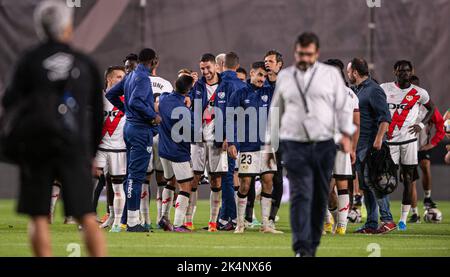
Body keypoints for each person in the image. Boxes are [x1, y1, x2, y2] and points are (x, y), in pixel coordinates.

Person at [1, 0, 106, 256]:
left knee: (38, 217)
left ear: (40, 28)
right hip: (74, 148)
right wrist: (91, 154)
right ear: (68, 28)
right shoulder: (85, 63)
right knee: (86, 216)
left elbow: (8, 102)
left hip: (37, 146)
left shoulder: (28, 61)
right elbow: (97, 115)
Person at [266, 32, 354, 256]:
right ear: (295, 52)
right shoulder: (286, 77)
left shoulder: (331, 75)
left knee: (319, 197)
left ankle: (312, 243)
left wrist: (346, 135)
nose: (304, 58)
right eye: (300, 54)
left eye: (308, 54)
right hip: (293, 144)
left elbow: (343, 107)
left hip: (324, 144)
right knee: (300, 194)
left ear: (317, 53)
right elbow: (276, 111)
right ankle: (301, 248)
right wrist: (269, 145)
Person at [106, 48, 161, 232]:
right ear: (153, 62)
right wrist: (153, 115)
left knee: (131, 175)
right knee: (136, 177)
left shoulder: (129, 76)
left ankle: (129, 219)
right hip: (139, 130)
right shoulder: (143, 77)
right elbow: (137, 101)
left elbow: (110, 94)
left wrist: (126, 110)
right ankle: (131, 222)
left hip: (129, 128)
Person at [228, 61, 283, 234]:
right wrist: (232, 142)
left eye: (264, 76)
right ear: (251, 73)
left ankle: (266, 225)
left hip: (267, 145)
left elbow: (280, 87)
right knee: (245, 184)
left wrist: (272, 73)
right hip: (247, 146)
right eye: (259, 74)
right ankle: (240, 223)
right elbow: (231, 120)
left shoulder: (269, 91)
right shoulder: (239, 94)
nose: (262, 79)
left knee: (268, 181)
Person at [381, 61, 435, 230]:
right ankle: (384, 216)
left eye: (407, 70)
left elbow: (432, 109)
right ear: (394, 71)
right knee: (384, 180)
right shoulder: (384, 88)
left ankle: (403, 219)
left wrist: (421, 125)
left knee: (408, 179)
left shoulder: (419, 92)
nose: (404, 73)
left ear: (412, 71)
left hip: (410, 142)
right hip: (389, 142)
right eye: (400, 70)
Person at [347, 58, 395, 234]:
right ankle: (371, 224)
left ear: (355, 72)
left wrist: (378, 140)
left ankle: (388, 219)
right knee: (366, 186)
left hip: (371, 146)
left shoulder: (374, 90)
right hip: (359, 147)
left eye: (348, 72)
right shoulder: (357, 91)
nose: (348, 75)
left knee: (375, 182)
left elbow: (385, 117)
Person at [188, 53, 229, 232]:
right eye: (202, 68)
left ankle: (213, 221)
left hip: (217, 140)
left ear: (216, 67)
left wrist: (229, 136)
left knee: (216, 180)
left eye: (208, 68)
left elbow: (233, 113)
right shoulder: (196, 86)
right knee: (194, 178)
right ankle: (188, 219)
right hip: (198, 140)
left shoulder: (226, 87)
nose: (205, 71)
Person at [323, 59, 360, 235]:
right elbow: (356, 124)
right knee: (338, 185)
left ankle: (335, 224)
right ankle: (336, 224)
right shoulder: (351, 95)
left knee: (333, 185)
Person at [158, 75, 195, 232]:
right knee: (186, 185)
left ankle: (163, 217)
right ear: (188, 91)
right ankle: (179, 224)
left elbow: (163, 96)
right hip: (178, 152)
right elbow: (192, 133)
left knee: (170, 182)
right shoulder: (184, 111)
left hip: (163, 150)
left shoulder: (164, 99)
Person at [408, 75, 445, 222]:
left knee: (425, 166)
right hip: (407, 145)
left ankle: (428, 198)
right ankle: (414, 213)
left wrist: (433, 143)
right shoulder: (401, 104)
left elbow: (441, 125)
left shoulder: (427, 106)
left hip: (423, 146)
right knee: (410, 179)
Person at [217, 52, 247, 231]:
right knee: (241, 177)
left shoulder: (224, 86)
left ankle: (232, 217)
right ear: (237, 66)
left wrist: (225, 137)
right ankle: (226, 216)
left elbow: (223, 114)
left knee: (227, 177)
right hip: (246, 138)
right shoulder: (243, 85)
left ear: (222, 65)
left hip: (230, 138)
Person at [264, 50, 284, 229]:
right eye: (266, 61)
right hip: (261, 138)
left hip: (282, 138)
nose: (267, 63)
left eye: (271, 61)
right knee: (251, 177)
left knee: (277, 178)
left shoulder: (286, 85)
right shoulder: (259, 84)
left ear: (279, 65)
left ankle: (271, 217)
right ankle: (247, 217)